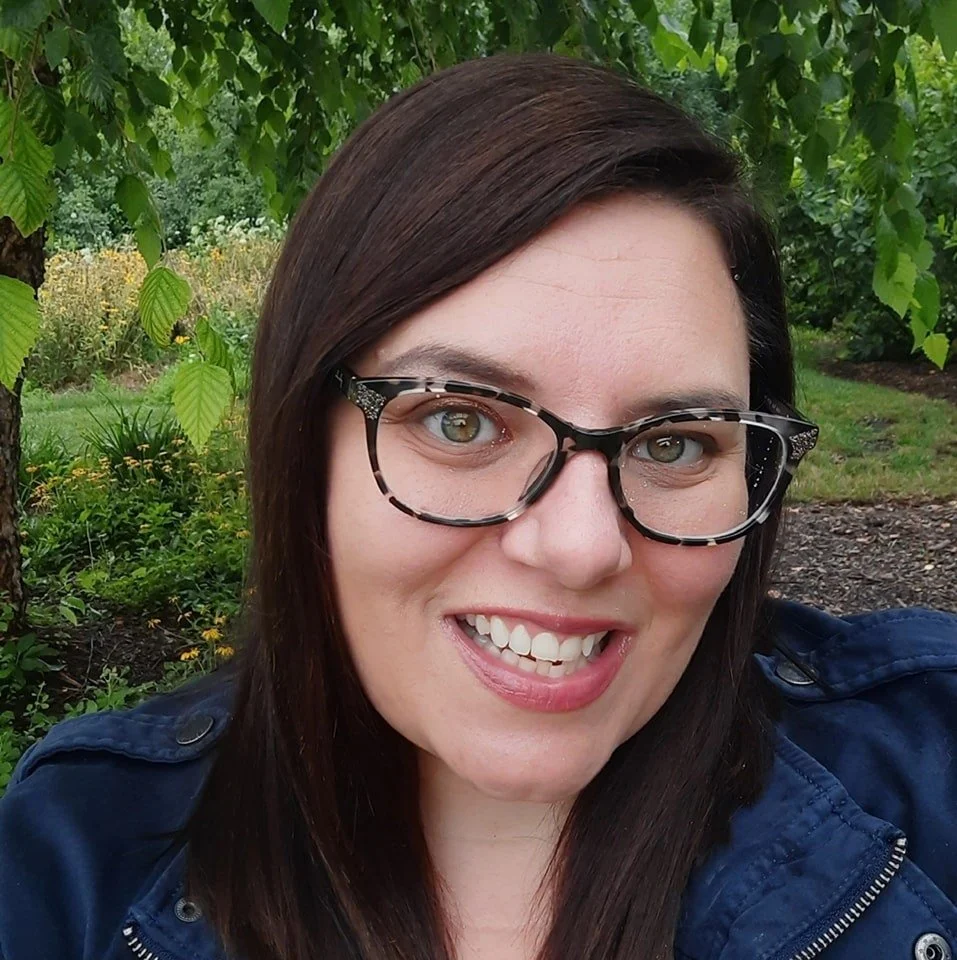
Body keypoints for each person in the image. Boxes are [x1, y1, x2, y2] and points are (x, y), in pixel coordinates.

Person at [1, 53, 955, 960]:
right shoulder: (73, 864)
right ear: (302, 448)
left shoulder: (924, 764)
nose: (581, 547)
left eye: (674, 444)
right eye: (460, 422)